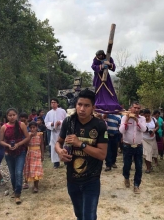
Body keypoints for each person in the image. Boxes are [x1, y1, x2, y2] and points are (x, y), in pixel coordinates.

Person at [55, 89, 108, 220]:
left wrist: (80, 144)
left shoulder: (100, 125)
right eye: (79, 104)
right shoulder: (69, 122)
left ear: (93, 108)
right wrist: (60, 152)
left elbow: (102, 154)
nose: (82, 109)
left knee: (89, 217)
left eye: (86, 105)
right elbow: (58, 143)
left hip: (91, 180)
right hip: (72, 179)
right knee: (79, 215)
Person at [0, 108, 30, 204]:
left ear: (17, 115)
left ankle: (18, 194)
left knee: (19, 172)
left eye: (14, 115)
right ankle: (14, 188)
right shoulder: (4, 127)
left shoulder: (22, 125)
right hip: (9, 153)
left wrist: (19, 144)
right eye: (10, 115)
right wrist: (8, 145)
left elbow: (28, 137)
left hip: (20, 152)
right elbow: (0, 141)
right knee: (12, 174)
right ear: (7, 116)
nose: (12, 117)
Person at [119, 102, 146, 194]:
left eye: (138, 108)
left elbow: (144, 129)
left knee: (139, 166)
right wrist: (127, 120)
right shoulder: (124, 117)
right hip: (127, 146)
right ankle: (126, 177)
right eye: (135, 108)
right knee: (127, 165)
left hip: (138, 146)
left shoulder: (142, 118)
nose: (137, 110)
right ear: (131, 108)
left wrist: (137, 121)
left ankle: (136, 185)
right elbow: (121, 130)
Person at [45, 98, 67, 168]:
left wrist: (60, 122)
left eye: (54, 102)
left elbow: (66, 120)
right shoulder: (49, 113)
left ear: (57, 103)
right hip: (54, 132)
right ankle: (56, 163)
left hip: (62, 131)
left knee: (64, 146)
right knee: (54, 146)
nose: (53, 104)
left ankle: (66, 160)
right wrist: (52, 124)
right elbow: (46, 122)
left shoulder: (62, 111)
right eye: (52, 102)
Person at [23, 121, 44, 193]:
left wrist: (42, 154)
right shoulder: (28, 135)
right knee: (30, 168)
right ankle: (26, 182)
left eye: (34, 127)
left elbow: (42, 145)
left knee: (37, 169)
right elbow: (26, 144)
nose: (32, 129)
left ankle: (36, 186)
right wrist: (30, 137)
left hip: (37, 153)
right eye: (31, 128)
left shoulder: (40, 134)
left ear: (36, 128)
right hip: (30, 154)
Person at [142, 109, 156, 173]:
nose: (147, 117)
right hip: (144, 139)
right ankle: (148, 168)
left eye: (148, 116)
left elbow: (157, 126)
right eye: (146, 116)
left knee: (151, 153)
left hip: (152, 139)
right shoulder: (141, 120)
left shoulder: (153, 119)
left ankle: (150, 165)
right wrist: (146, 130)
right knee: (147, 153)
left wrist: (154, 130)